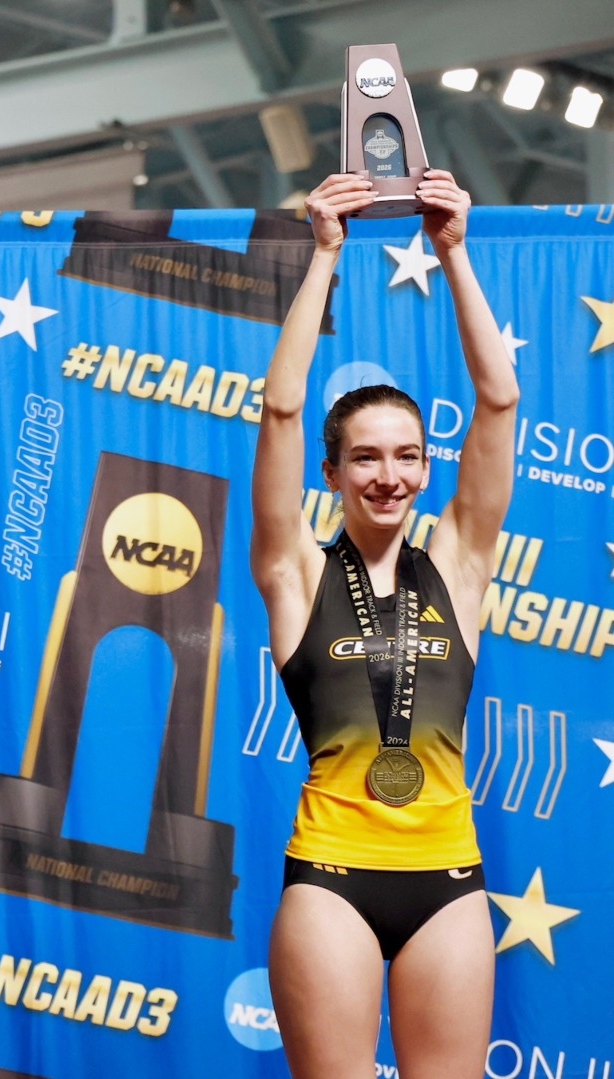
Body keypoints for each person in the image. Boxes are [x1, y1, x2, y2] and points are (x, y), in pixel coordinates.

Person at [251, 170, 516, 1079]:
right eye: (365, 457)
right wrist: (325, 253)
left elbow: (501, 401)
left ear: (427, 466)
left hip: (449, 880)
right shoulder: (293, 575)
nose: (389, 475)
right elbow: (280, 406)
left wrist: (455, 252)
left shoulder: (460, 568)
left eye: (407, 455)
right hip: (331, 877)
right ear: (332, 472)